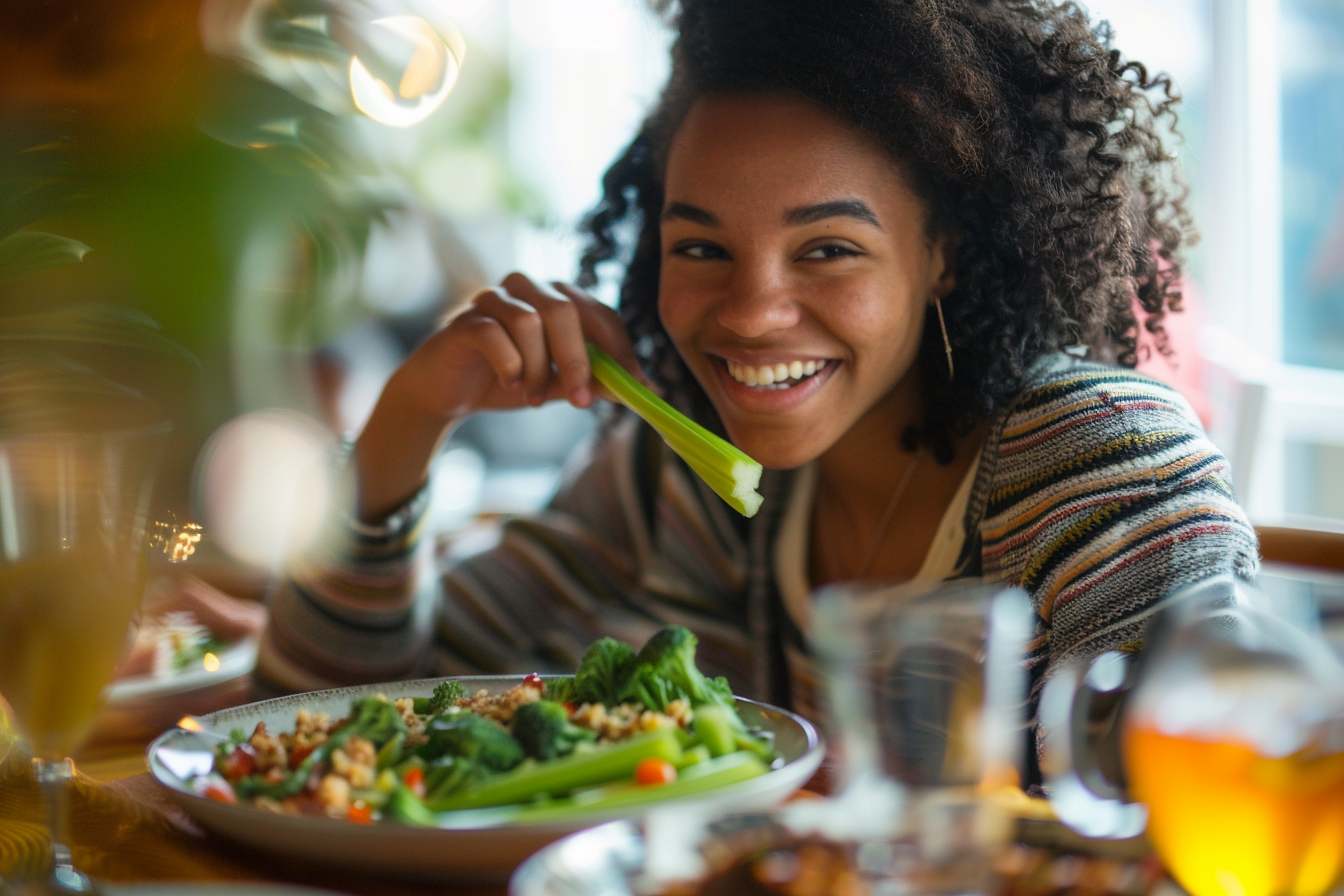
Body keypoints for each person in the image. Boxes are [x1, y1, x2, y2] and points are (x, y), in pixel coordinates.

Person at [256, 0, 1257, 741]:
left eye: (828, 249)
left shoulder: (1099, 469)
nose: (748, 312)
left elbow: (1202, 821)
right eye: (701, 248)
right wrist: (410, 419)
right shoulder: (682, 467)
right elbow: (341, 725)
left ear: (944, 252)